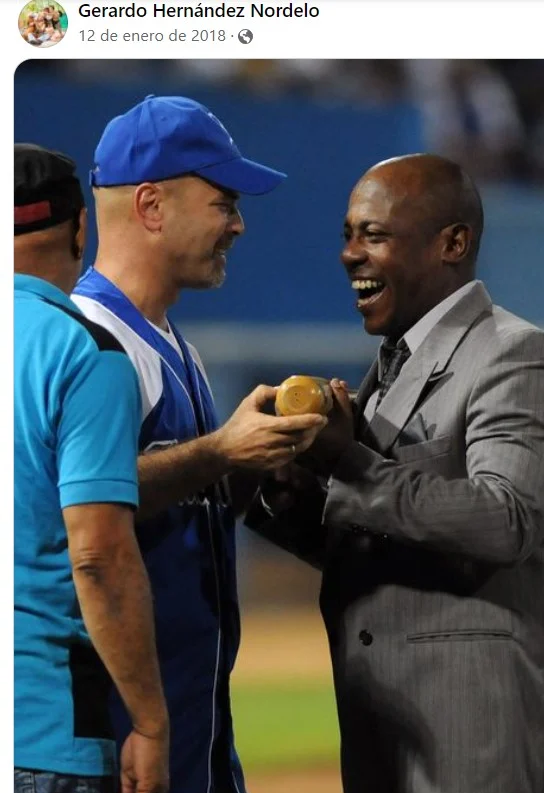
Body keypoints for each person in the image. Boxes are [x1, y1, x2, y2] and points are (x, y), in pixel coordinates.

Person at [248, 153, 544, 793]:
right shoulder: (391, 365)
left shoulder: (517, 356)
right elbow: (379, 543)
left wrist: (347, 461)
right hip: (385, 734)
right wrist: (287, 494)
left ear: (452, 243)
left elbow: (506, 520)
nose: (350, 254)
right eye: (348, 234)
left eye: (373, 234)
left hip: (475, 736)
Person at [71, 95, 327, 793]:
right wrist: (218, 453)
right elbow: (84, 512)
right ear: (152, 206)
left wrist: (259, 456)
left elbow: (185, 507)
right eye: (223, 202)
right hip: (127, 735)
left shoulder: (174, 346)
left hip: (195, 727)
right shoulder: (90, 339)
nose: (238, 224)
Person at [14, 144, 169, 793]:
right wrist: (150, 722)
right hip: (41, 730)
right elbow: (99, 555)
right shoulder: (83, 351)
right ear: (81, 228)